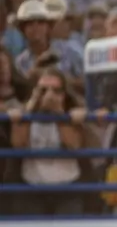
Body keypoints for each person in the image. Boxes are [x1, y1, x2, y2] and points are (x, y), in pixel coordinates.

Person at [6, 64, 89, 215]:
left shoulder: (72, 114)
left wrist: (59, 113)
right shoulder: (24, 114)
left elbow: (73, 145)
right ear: (35, 92)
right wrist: (29, 111)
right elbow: (18, 145)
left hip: (67, 190)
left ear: (64, 94)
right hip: (32, 190)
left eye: (56, 91)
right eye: (44, 90)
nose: (49, 95)